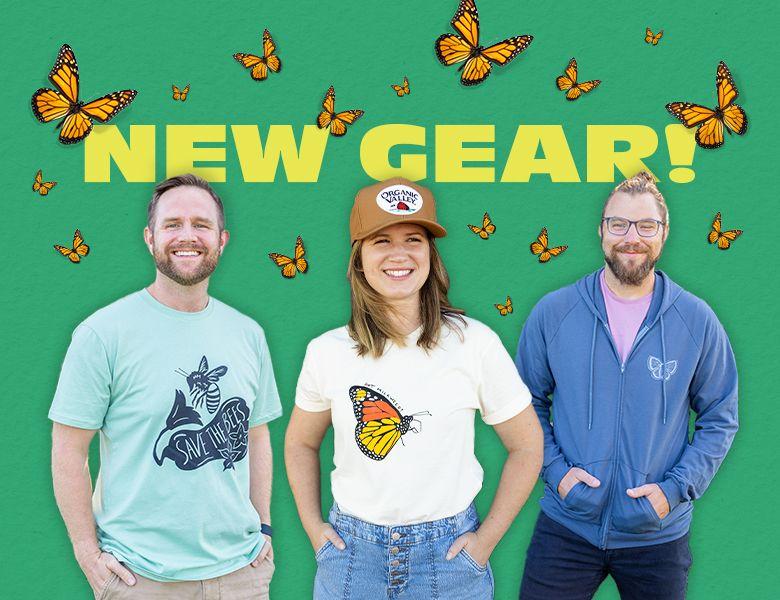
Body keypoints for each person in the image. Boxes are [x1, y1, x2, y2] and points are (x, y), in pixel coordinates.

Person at [285, 177, 543, 599]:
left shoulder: (473, 342)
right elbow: (299, 444)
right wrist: (315, 530)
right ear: (359, 258)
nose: (399, 254)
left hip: (449, 560)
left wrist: (484, 545)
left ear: (430, 254)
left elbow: (528, 446)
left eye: (414, 239)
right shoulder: (326, 351)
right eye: (381, 240)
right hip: (352, 557)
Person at [50, 174, 282, 599]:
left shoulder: (249, 333)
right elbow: (68, 448)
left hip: (242, 577)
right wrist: (87, 552)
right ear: (149, 238)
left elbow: (256, 433)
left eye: (201, 224)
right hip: (142, 578)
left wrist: (263, 524)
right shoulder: (102, 333)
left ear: (222, 239)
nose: (187, 236)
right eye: (173, 224)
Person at [516, 171, 739, 599]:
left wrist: (673, 491)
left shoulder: (696, 321)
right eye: (618, 224)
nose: (630, 237)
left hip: (658, 533)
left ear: (664, 233)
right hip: (567, 526)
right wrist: (557, 473)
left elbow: (720, 417)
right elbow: (523, 403)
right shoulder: (553, 312)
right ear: (601, 230)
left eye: (645, 226)